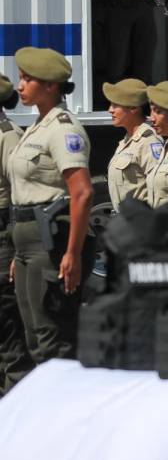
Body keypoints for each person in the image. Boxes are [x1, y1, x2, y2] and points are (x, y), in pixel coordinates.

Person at [8, 47, 94, 364]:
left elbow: (82, 193)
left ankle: (67, 410)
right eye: (20, 78)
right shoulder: (37, 126)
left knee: (52, 339)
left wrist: (72, 253)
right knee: (33, 336)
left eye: (28, 79)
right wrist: (20, 250)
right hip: (29, 241)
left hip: (52, 241)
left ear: (50, 86)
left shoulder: (62, 128)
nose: (20, 86)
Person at [0, 73, 33, 393]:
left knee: (7, 320)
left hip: (3, 236)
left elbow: (17, 195)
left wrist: (13, 248)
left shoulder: (9, 137)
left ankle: (15, 396)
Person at [103, 78, 158, 206]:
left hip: (141, 221)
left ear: (133, 108)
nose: (110, 110)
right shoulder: (126, 141)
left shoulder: (148, 141)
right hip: (126, 220)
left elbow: (158, 189)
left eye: (115, 105)